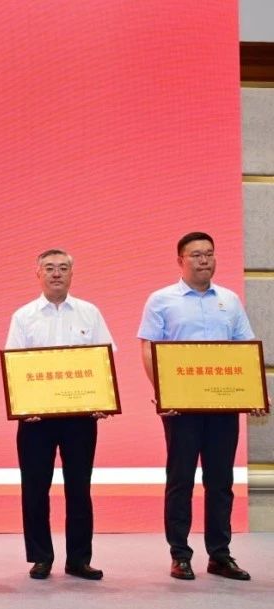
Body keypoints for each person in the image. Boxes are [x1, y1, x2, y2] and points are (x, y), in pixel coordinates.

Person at [138, 231, 267, 581]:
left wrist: (254, 392)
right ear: (180, 260)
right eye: (196, 255)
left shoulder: (229, 300)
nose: (204, 260)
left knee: (221, 481)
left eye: (209, 253)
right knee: (180, 479)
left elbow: (244, 347)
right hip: (181, 408)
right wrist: (162, 393)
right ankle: (180, 554)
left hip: (223, 406)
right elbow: (149, 348)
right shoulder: (161, 300)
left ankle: (220, 555)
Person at [5, 249, 114, 581]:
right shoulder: (23, 316)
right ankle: (40, 557)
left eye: (63, 268)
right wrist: (24, 406)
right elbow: (15, 366)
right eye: (50, 268)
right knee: (35, 488)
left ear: (72, 274)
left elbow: (104, 361)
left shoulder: (89, 313)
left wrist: (101, 399)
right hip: (36, 419)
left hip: (80, 418)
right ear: (37, 274)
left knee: (79, 488)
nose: (56, 274)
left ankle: (79, 559)